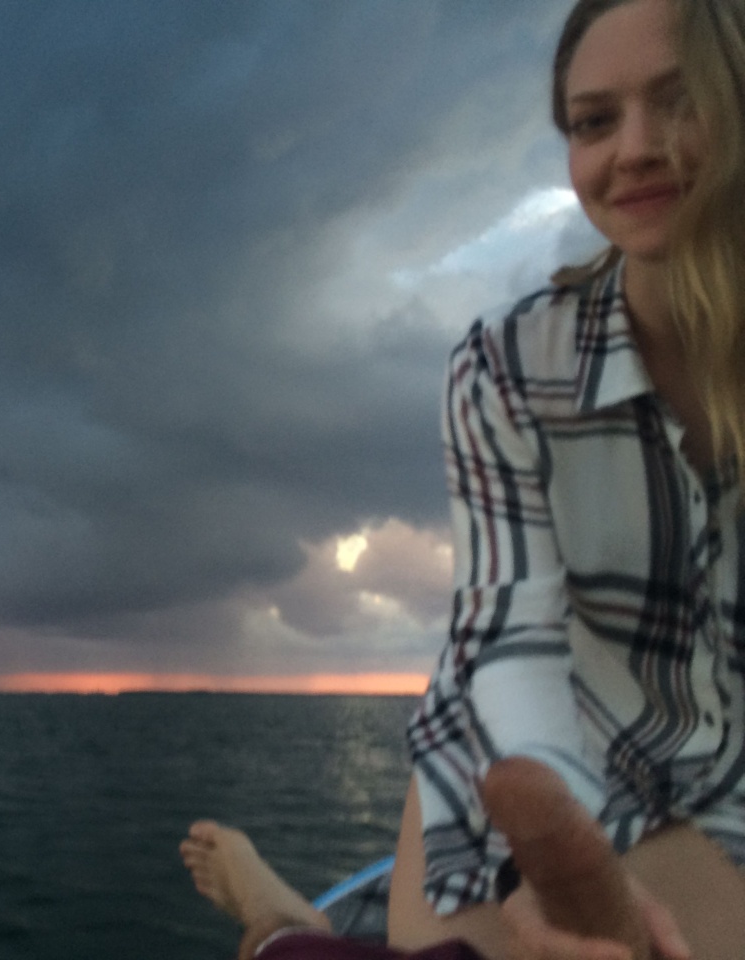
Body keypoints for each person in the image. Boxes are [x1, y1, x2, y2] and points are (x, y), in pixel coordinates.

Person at [181, 0, 745, 957]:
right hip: (537, 750)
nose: (635, 149)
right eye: (595, 121)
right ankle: (280, 924)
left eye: (679, 100)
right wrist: (558, 852)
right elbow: (508, 640)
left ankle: (284, 930)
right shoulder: (507, 367)